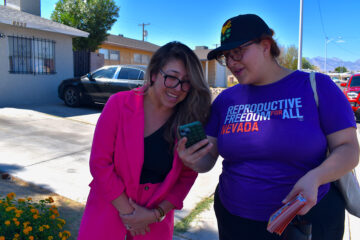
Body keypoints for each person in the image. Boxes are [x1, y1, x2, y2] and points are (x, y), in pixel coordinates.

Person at [177, 14, 359, 240]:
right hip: (235, 221)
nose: (231, 62)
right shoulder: (227, 99)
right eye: (226, 57)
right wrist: (192, 160)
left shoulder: (316, 87)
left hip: (306, 221)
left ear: (266, 46)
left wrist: (317, 177)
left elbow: (349, 149)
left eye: (238, 52)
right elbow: (208, 159)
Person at [78, 41, 212, 240]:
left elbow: (186, 177)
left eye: (186, 81)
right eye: (172, 77)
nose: (178, 88)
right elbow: (100, 163)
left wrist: (154, 215)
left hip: (153, 224)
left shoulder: (189, 120)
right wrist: (130, 215)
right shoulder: (119, 105)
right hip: (107, 214)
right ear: (154, 74)